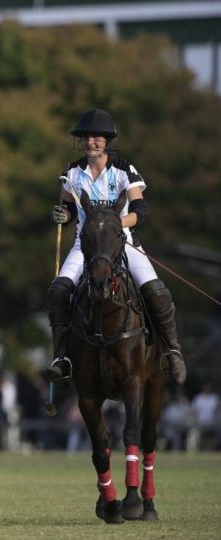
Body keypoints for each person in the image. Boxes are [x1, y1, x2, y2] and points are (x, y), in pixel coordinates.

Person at [46, 109, 186, 385]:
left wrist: (113, 225)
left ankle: (172, 351)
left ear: (107, 141)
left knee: (156, 292)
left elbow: (140, 211)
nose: (91, 142)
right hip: (84, 246)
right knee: (58, 291)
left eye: (97, 137)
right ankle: (61, 357)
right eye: (86, 137)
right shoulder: (72, 172)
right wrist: (62, 215)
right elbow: (67, 208)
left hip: (124, 243)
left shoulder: (124, 169)